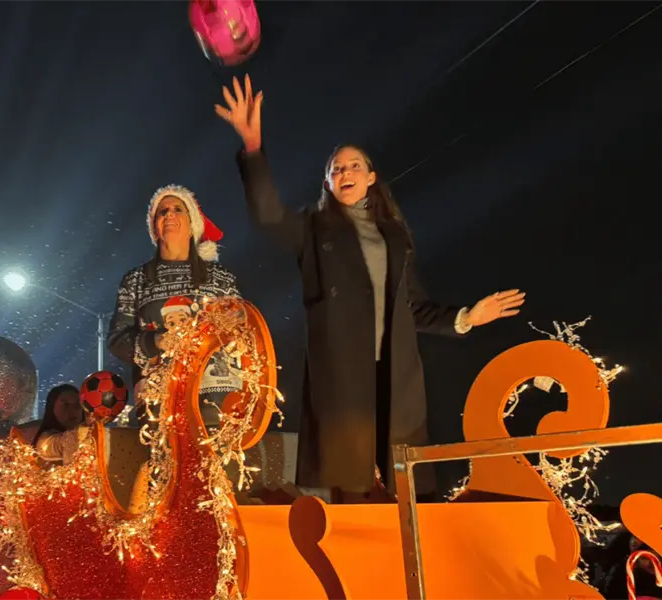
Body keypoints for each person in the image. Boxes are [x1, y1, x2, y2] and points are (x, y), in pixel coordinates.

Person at [214, 74, 526, 503]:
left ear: (371, 177)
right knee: (352, 492)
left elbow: (412, 308)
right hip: (343, 378)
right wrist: (252, 147)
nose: (345, 172)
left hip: (396, 377)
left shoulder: (395, 237)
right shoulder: (313, 229)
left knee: (409, 489)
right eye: (336, 168)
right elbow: (268, 214)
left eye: (354, 165)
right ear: (327, 183)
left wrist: (467, 317)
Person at [107, 185, 242, 428]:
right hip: (159, 402)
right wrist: (156, 341)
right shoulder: (136, 279)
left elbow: (241, 330)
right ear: (154, 227)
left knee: (217, 465)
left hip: (217, 401)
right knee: (168, 465)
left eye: (178, 209)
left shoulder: (221, 278)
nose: (169, 215)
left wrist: (233, 327)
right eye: (162, 212)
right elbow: (117, 340)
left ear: (193, 224)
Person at [33, 384, 86, 463]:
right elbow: (59, 444)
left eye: (77, 404)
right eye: (65, 404)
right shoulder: (45, 441)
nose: (73, 410)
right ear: (52, 408)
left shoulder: (88, 435)